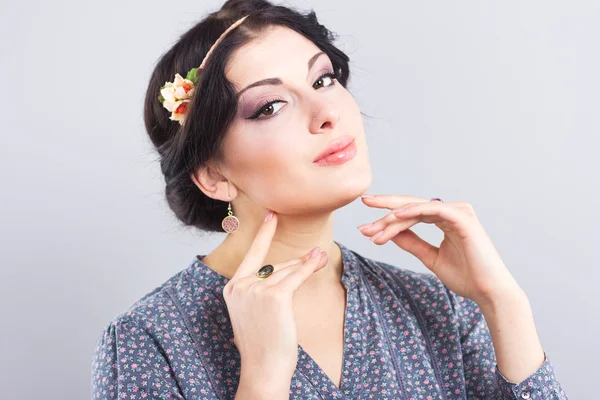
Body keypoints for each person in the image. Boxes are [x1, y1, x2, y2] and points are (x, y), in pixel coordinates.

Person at [91, 0, 569, 399]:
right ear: (213, 176)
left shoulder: (438, 308)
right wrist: (263, 376)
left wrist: (504, 304)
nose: (327, 113)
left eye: (322, 80)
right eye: (270, 106)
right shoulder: (149, 340)